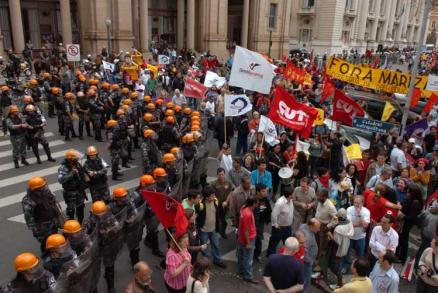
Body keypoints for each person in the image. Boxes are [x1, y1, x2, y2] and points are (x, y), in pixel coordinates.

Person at [84, 201, 124, 292]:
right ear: (93, 213)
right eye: (99, 214)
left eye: (103, 213)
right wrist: (89, 246)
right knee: (95, 270)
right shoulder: (89, 221)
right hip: (97, 247)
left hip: (108, 245)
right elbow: (85, 236)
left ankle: (111, 286)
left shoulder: (109, 215)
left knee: (110, 266)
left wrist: (115, 228)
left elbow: (116, 224)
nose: (101, 215)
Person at [22, 176, 63, 253]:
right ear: (36, 189)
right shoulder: (28, 200)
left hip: (53, 221)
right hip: (41, 227)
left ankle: (55, 253)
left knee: (54, 239)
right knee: (45, 243)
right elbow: (28, 216)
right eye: (42, 186)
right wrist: (35, 229)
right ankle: (46, 255)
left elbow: (54, 203)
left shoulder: (46, 192)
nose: (45, 187)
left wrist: (59, 216)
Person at [195, 185, 227, 268]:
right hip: (203, 230)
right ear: (206, 197)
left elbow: (220, 214)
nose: (213, 197)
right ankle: (206, 263)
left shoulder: (216, 201)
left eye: (214, 195)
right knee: (204, 248)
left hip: (213, 229)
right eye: (211, 196)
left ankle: (217, 260)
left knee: (216, 245)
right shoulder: (200, 205)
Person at [58, 149, 88, 224]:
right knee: (71, 209)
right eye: (76, 158)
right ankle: (71, 225)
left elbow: (82, 173)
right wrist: (71, 173)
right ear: (71, 159)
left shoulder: (77, 164)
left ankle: (80, 223)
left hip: (79, 190)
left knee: (81, 207)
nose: (78, 159)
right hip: (70, 192)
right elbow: (61, 180)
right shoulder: (63, 167)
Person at [327, 208, 354, 290]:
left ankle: (340, 284)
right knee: (338, 263)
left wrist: (329, 234)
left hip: (337, 249)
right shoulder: (349, 222)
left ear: (339, 217)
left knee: (335, 266)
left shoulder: (338, 228)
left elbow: (336, 241)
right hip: (345, 246)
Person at [267, 186, 294, 256]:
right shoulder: (280, 203)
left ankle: (285, 256)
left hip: (288, 227)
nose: (294, 195)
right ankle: (270, 255)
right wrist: (276, 225)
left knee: (287, 243)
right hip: (280, 227)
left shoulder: (290, 200)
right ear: (289, 195)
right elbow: (273, 214)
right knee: (274, 242)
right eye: (293, 194)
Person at [237, 196, 258, 283]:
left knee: (241, 255)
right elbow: (246, 230)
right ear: (253, 204)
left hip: (241, 237)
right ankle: (248, 276)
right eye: (256, 202)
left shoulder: (243, 208)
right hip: (248, 238)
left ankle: (241, 270)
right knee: (248, 258)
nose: (257, 204)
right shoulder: (248, 214)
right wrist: (248, 243)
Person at [210, 167, 233, 239]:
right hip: (217, 204)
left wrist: (226, 201)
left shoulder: (228, 182)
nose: (221, 176)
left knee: (223, 219)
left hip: (225, 204)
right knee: (217, 218)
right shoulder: (213, 184)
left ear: (224, 174)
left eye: (222, 174)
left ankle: (222, 232)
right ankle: (217, 231)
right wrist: (217, 202)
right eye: (219, 175)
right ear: (217, 175)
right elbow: (212, 195)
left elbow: (230, 192)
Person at [299, 218, 321, 289]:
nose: (319, 230)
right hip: (306, 263)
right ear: (311, 226)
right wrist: (310, 261)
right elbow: (304, 252)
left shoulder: (303, 226)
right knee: (305, 280)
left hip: (306, 261)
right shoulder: (307, 236)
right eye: (317, 228)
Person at [253, 184, 271, 262]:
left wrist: (267, 219)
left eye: (265, 191)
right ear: (258, 192)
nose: (265, 193)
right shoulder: (253, 200)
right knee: (252, 239)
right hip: (253, 223)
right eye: (263, 191)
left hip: (261, 223)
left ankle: (257, 254)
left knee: (259, 238)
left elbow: (268, 209)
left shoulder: (265, 199)